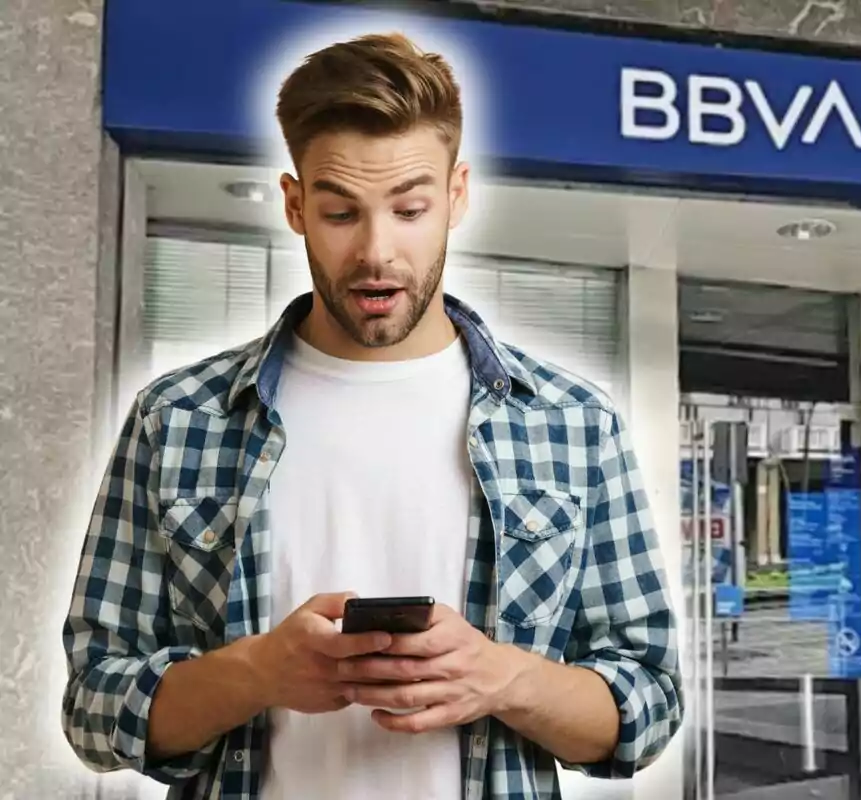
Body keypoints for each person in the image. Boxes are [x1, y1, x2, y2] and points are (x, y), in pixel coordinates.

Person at [60, 31, 682, 800]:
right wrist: (256, 672)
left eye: (411, 208)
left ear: (457, 196)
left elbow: (650, 704)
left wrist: (503, 678)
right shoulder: (177, 418)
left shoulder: (575, 423)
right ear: (295, 206)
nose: (377, 251)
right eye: (340, 212)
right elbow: (92, 705)